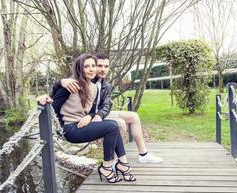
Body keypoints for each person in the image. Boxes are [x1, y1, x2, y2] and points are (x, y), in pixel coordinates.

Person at [38, 53, 136, 183]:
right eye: (86, 66)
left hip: (81, 126)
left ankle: (123, 164)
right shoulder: (71, 85)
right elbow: (52, 106)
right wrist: (43, 98)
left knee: (113, 126)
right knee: (112, 126)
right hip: (69, 129)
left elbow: (91, 110)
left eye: (93, 66)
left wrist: (89, 117)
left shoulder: (94, 88)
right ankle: (107, 166)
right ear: (80, 69)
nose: (92, 69)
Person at [52, 53, 163, 163]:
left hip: (97, 114)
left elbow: (107, 104)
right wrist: (60, 82)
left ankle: (143, 154)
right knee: (119, 123)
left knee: (133, 116)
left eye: (106, 66)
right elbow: (59, 94)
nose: (102, 70)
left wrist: (99, 115)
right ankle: (114, 161)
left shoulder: (105, 85)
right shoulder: (85, 78)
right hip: (80, 119)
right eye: (99, 66)